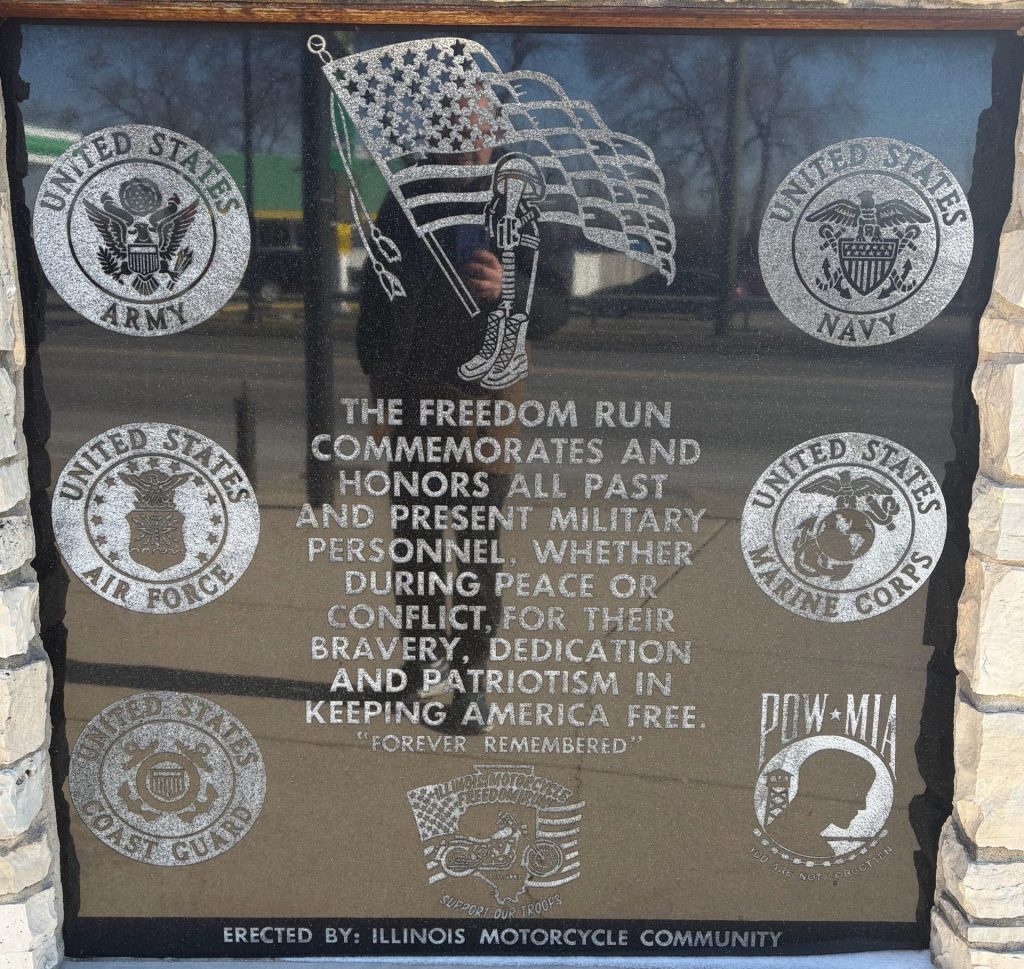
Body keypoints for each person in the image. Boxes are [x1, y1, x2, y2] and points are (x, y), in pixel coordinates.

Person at [356, 141, 573, 734]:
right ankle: (421, 661)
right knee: (417, 538)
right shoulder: (408, 194)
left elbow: (556, 303)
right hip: (412, 390)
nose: (456, 125)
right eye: (444, 114)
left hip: (489, 396)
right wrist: (375, 361)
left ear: (489, 118)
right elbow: (377, 284)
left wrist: (510, 288)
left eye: (468, 108)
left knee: (476, 541)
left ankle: (471, 681)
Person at [766, 747, 878, 859]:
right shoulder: (814, 851)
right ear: (828, 792)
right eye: (857, 796)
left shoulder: (774, 837)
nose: (863, 806)